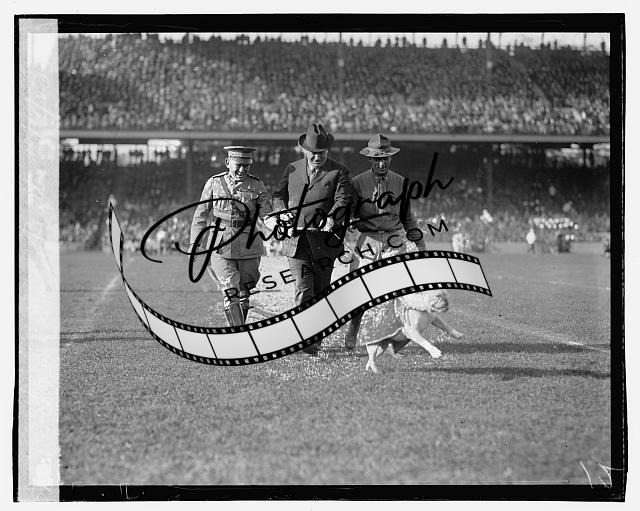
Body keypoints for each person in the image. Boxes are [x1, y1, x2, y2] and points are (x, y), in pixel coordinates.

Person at [272, 124, 353, 355]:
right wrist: (281, 211)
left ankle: (315, 338)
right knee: (303, 290)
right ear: (305, 150)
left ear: (328, 151)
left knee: (320, 292)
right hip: (296, 242)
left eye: (322, 153)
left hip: (325, 244)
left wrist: (332, 217)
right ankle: (303, 339)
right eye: (313, 153)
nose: (317, 157)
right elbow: (278, 195)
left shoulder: (339, 171)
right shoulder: (292, 169)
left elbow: (344, 199)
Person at [344, 133, 427, 350]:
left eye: (385, 159)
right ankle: (353, 329)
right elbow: (350, 212)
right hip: (367, 241)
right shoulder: (357, 183)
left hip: (394, 240)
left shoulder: (401, 182)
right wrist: (349, 222)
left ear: (390, 158)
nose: (381, 163)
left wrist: (421, 246)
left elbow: (408, 218)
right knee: (360, 291)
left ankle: (391, 338)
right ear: (370, 159)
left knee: (396, 293)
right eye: (377, 159)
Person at [189, 146, 277, 327]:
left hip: (248, 245)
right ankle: (238, 334)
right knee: (230, 290)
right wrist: (195, 242)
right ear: (228, 162)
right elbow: (201, 214)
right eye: (238, 165)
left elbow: (266, 214)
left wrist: (279, 225)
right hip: (221, 245)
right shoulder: (214, 183)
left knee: (244, 292)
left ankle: (239, 329)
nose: (242, 170)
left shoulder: (257, 185)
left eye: (247, 166)